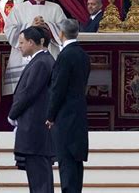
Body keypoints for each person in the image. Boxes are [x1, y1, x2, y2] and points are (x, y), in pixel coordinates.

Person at [8, 26, 55, 193]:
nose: (19, 46)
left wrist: (13, 114)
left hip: (36, 131)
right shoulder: (42, 60)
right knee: (39, 179)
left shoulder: (42, 62)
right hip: (36, 132)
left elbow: (29, 93)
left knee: (40, 180)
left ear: (33, 42)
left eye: (22, 42)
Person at [46, 19, 90, 193]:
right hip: (78, 113)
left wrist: (50, 115)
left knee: (66, 161)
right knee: (76, 162)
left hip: (65, 115)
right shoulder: (83, 54)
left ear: (61, 34)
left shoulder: (65, 56)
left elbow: (58, 89)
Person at [3, 0, 66, 95]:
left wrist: (49, 26)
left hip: (49, 55)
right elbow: (10, 31)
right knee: (25, 92)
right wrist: (30, 26)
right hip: (23, 59)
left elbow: (64, 30)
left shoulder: (55, 8)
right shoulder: (18, 9)